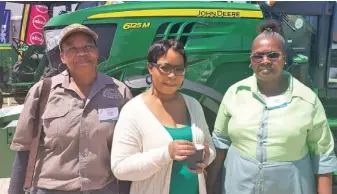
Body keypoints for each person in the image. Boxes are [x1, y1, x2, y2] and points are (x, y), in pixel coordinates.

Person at [206, 20, 337, 194]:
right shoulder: (235, 93)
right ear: (251, 61)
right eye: (258, 56)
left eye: (273, 55)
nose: (265, 61)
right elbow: (220, 143)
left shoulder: (307, 100)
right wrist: (210, 187)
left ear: (285, 57)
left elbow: (323, 158)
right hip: (238, 186)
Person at [8, 23, 132, 194]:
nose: (81, 53)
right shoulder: (43, 91)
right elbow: (24, 148)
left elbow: (127, 149)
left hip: (104, 188)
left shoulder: (119, 92)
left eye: (88, 46)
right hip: (51, 188)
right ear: (62, 57)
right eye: (72, 48)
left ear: (97, 52)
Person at [110, 39, 216, 194]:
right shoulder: (133, 111)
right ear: (150, 68)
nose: (172, 75)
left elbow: (209, 146)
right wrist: (166, 153)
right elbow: (120, 168)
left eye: (179, 69)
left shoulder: (193, 105)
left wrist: (207, 157)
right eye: (165, 67)